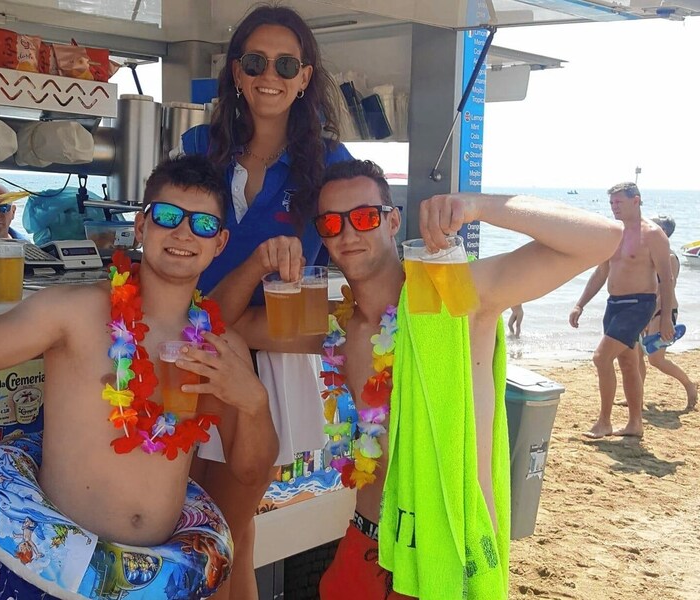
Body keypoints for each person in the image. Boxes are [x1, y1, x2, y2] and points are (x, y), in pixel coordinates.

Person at [227, 160, 622, 599]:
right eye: (332, 223)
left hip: (442, 550)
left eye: (363, 217)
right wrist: (256, 263)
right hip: (364, 541)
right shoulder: (333, 326)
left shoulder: (454, 297)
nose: (348, 234)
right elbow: (231, 323)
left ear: (393, 219)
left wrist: (479, 205)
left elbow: (601, 239)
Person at [0, 155, 278, 599]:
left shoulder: (220, 347)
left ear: (220, 242)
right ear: (141, 227)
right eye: (168, 216)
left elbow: (250, 471)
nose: (183, 233)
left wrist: (253, 403)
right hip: (51, 575)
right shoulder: (74, 312)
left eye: (203, 225)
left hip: (157, 582)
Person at [175, 6, 352, 598]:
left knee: (230, 530)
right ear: (236, 72)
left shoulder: (330, 163)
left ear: (305, 76)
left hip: (263, 355)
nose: (268, 75)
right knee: (187, 519)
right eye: (255, 61)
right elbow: (174, 242)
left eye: (285, 64)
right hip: (188, 351)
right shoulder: (200, 146)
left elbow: (357, 255)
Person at [569, 182, 675, 438]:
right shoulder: (613, 232)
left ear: (636, 201)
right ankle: (634, 424)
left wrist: (665, 321)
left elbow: (667, 278)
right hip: (614, 304)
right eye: (612, 203)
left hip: (640, 304)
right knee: (627, 363)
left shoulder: (653, 235)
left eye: (619, 202)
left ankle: (604, 421)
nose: (614, 207)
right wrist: (580, 303)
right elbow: (602, 271)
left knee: (600, 357)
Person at [636, 215, 696, 410]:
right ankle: (636, 396)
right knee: (636, 355)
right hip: (644, 309)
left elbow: (664, 292)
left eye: (653, 226)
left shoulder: (669, 258)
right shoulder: (649, 253)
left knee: (656, 359)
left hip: (662, 311)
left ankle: (689, 385)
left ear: (663, 232)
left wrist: (649, 316)